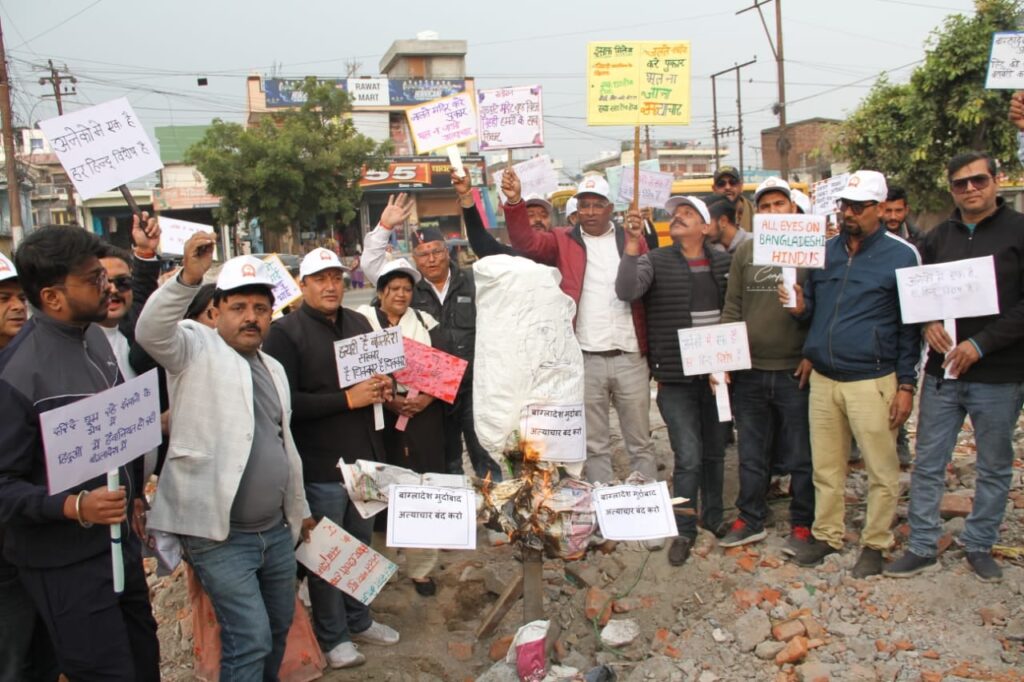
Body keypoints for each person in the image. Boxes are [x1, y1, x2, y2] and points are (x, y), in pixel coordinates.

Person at [136, 238, 315, 681]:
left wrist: (301, 510)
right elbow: (150, 332)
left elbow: (282, 443)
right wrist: (189, 277)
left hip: (274, 533)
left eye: (260, 307)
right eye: (239, 307)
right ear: (215, 312)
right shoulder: (195, 347)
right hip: (219, 536)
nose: (251, 316)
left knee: (275, 630)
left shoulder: (273, 368)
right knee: (249, 636)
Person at [0, 226, 159, 681]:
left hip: (119, 548)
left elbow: (116, 437)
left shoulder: (96, 341)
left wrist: (133, 496)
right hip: (64, 566)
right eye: (93, 279)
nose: (108, 286)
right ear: (52, 297)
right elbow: (4, 487)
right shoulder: (17, 374)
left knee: (144, 663)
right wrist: (75, 507)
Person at [885, 151, 1024, 583]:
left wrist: (980, 345)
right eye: (960, 183)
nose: (970, 189)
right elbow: (916, 294)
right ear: (951, 189)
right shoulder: (937, 238)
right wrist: (927, 321)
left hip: (1000, 374)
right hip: (942, 375)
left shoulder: (1020, 230)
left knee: (995, 464)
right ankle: (923, 545)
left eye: (978, 180)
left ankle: (980, 544)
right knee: (928, 461)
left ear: (995, 180)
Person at [262, 247, 399, 669]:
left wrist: (385, 385)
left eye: (336, 278)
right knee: (326, 554)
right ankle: (334, 634)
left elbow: (381, 373)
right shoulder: (283, 333)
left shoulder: (359, 322)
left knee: (360, 545)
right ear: (302, 285)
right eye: (320, 279)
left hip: (366, 460)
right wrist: (347, 399)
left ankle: (360, 619)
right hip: (320, 464)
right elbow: (286, 405)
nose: (330, 286)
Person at [783, 170, 921, 578]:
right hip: (824, 379)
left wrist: (907, 385)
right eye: (845, 205)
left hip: (872, 380)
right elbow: (815, 310)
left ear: (880, 209)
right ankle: (827, 535)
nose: (849, 213)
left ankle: (875, 543)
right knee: (826, 467)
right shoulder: (823, 251)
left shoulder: (901, 255)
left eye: (859, 207)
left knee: (881, 469)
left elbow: (910, 326)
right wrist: (799, 310)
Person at [503, 170, 659, 491]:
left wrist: (636, 239)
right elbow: (526, 242)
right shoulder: (563, 240)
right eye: (583, 205)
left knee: (640, 440)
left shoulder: (631, 240)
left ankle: (648, 509)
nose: (589, 212)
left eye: (596, 205)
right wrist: (515, 202)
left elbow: (642, 287)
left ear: (610, 207)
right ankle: (603, 508)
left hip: (630, 356)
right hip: (585, 357)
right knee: (595, 443)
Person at [615, 195, 730, 565]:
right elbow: (627, 290)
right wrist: (632, 246)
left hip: (719, 376)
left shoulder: (726, 262)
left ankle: (713, 516)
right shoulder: (655, 260)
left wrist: (730, 364)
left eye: (688, 214)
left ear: (706, 226)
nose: (677, 217)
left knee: (714, 451)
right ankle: (685, 528)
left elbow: (738, 310)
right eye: (675, 213)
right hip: (676, 378)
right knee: (689, 454)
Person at [362, 194, 501, 481]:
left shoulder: (474, 281)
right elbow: (374, 269)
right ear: (414, 258)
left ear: (447, 251)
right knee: (447, 461)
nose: (432, 258)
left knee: (487, 453)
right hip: (434, 396)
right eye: (423, 253)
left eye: (437, 251)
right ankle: (455, 516)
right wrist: (384, 228)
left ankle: (499, 514)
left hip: (477, 386)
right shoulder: (408, 288)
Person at [717, 178, 815, 555]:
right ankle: (751, 517)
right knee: (752, 452)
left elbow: (821, 310)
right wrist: (725, 358)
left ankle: (803, 522)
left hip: (795, 371)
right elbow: (733, 306)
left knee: (802, 455)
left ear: (792, 209)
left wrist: (811, 348)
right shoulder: (746, 252)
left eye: (780, 204)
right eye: (766, 206)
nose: (773, 212)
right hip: (750, 371)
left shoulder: (811, 249)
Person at [356, 258, 445, 597]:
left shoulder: (426, 322)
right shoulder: (362, 321)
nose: (401, 295)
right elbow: (354, 366)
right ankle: (383, 565)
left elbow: (445, 370)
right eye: (394, 288)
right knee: (381, 487)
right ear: (381, 292)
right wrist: (390, 398)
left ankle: (422, 568)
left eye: (407, 289)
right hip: (379, 414)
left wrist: (426, 400)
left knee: (421, 484)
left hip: (424, 415)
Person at [0, 253, 59, 682]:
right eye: (3, 299)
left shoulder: (36, 360)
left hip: (38, 533)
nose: (17, 307)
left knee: (46, 647)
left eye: (21, 297)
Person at [711, 165, 755, 232]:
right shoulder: (707, 219)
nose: (727, 187)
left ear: (741, 187)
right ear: (714, 189)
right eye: (721, 184)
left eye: (733, 182)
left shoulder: (757, 215)